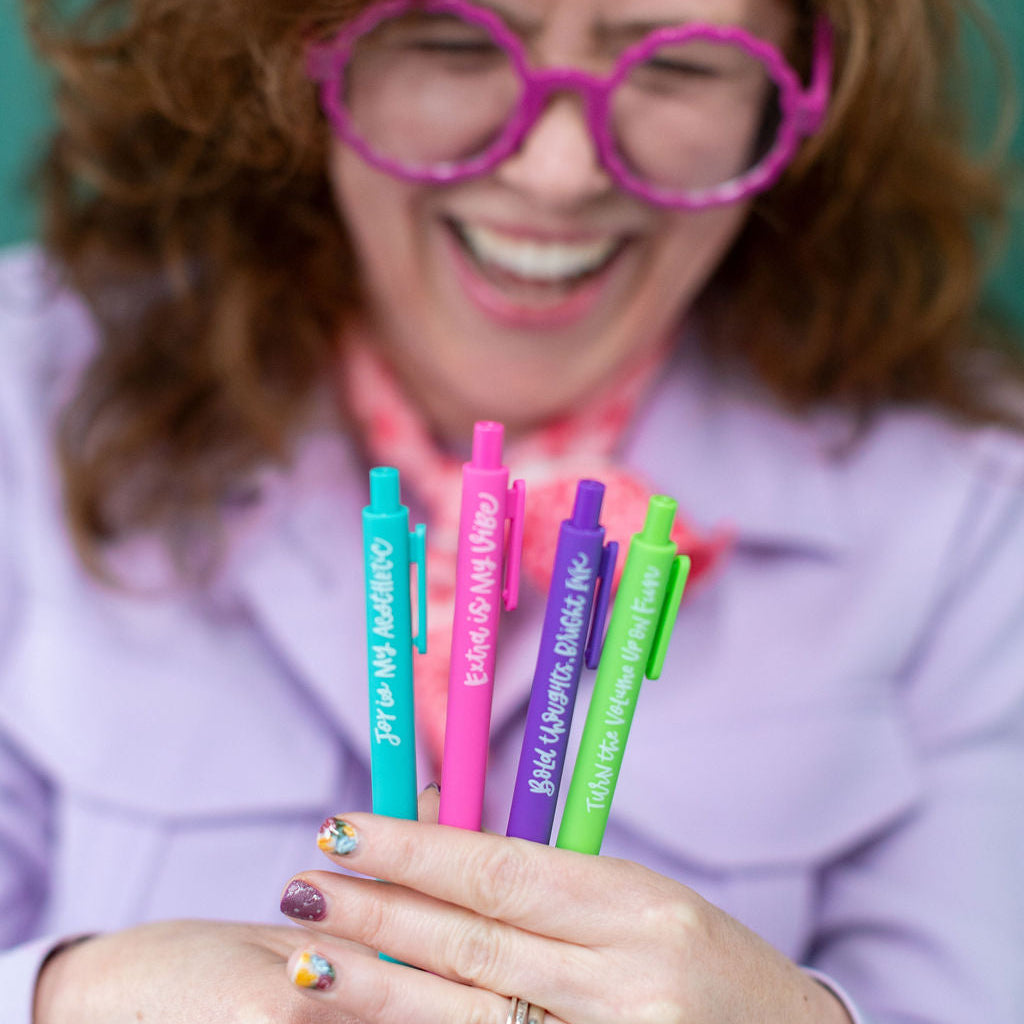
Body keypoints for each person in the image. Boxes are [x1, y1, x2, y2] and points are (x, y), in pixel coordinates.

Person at [2, 0, 1023, 1021]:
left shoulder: (974, 507)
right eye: (454, 42)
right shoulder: (24, 383)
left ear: (792, 93)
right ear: (292, 51)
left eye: (678, 65)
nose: (559, 171)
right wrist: (75, 995)